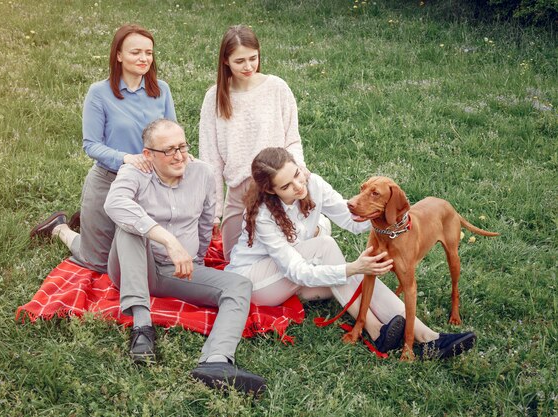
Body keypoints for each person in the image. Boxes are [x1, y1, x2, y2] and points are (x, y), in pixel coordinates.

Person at [226, 147, 477, 359]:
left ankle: (428, 337)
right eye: (287, 186)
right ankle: (375, 329)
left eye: (297, 174)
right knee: (331, 250)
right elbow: (296, 271)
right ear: (271, 191)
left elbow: (354, 221)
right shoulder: (263, 214)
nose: (298, 185)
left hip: (294, 274)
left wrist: (391, 214)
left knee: (360, 275)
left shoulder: (313, 184)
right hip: (256, 283)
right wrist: (353, 267)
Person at [103, 119, 266, 395]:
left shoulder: (202, 173)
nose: (179, 156)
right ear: (148, 155)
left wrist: (197, 259)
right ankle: (142, 328)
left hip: (175, 273)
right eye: (168, 150)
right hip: (135, 267)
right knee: (129, 227)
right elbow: (114, 203)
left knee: (239, 286)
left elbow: (205, 223)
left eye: (182, 146)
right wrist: (169, 241)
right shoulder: (135, 173)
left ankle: (215, 362)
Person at [30, 24, 176, 273]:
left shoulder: (161, 90)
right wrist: (126, 158)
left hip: (150, 184)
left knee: (148, 259)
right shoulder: (99, 93)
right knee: (98, 263)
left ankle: (86, 221)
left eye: (149, 53)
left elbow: (171, 133)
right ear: (118, 55)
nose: (143, 59)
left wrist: (179, 153)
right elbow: (91, 145)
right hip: (109, 181)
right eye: (135, 52)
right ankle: (60, 228)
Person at [199, 25, 308, 261]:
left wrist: (298, 174)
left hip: (277, 188)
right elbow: (210, 159)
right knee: (234, 261)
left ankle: (315, 229)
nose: (248, 67)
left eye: (253, 58)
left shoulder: (277, 88)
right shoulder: (214, 97)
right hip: (239, 191)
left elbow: (292, 139)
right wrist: (214, 211)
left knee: (287, 258)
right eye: (240, 61)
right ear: (226, 61)